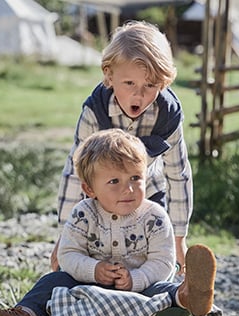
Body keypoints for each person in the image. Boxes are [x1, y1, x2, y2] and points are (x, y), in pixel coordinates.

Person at [0, 129, 217, 316]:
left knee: (163, 290)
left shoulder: (154, 217)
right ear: (89, 189)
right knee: (53, 281)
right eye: (114, 181)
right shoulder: (83, 214)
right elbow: (68, 254)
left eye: (136, 177)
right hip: (88, 294)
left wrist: (135, 279)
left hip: (140, 293)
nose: (129, 188)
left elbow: (163, 262)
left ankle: (189, 296)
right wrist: (94, 270)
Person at [52, 20, 192, 274]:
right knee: (88, 263)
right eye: (129, 84)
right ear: (109, 75)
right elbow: (74, 170)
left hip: (147, 195)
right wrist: (65, 234)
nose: (139, 95)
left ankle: (173, 297)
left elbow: (178, 173)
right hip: (100, 199)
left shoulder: (167, 115)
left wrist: (179, 237)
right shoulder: (95, 112)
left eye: (150, 86)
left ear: (163, 83)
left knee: (156, 265)